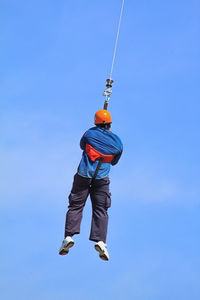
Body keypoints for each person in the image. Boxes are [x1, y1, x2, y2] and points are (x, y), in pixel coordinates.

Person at [59, 109, 123, 261]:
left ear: (96, 122)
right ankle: (101, 241)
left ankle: (69, 236)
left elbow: (82, 146)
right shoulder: (117, 142)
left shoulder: (89, 134)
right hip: (101, 179)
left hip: (83, 176)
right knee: (101, 209)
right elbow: (114, 162)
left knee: (75, 206)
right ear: (110, 124)